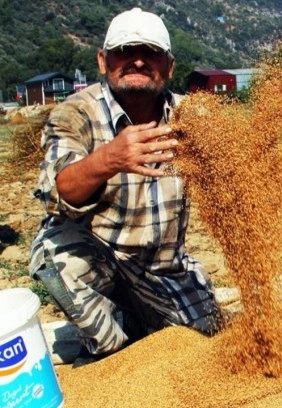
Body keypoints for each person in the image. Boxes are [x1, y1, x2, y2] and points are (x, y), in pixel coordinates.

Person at [28, 7, 223, 367]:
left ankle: (137, 318)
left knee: (208, 337)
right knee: (58, 255)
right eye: (125, 52)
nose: (137, 61)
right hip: (99, 261)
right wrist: (108, 159)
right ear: (103, 61)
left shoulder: (192, 117)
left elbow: (234, 174)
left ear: (169, 66)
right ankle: (108, 349)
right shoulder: (75, 113)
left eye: (150, 53)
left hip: (162, 268)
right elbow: (58, 195)